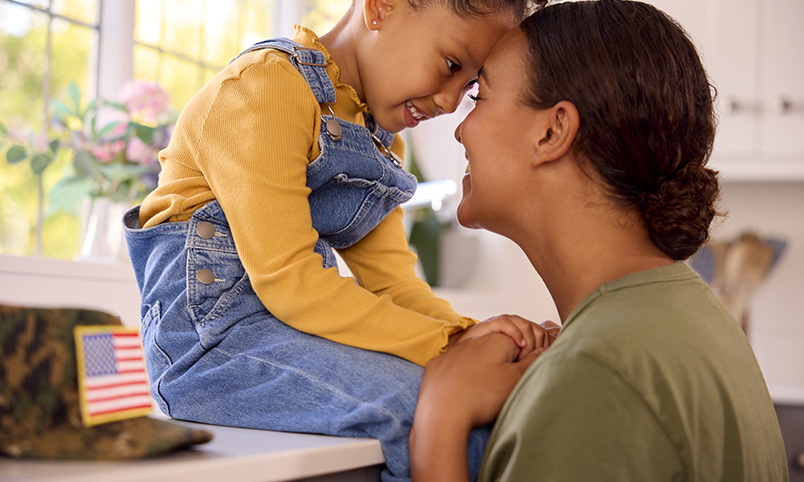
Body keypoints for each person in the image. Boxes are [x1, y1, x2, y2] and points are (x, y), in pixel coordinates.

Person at [123, 1, 549, 481]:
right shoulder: (264, 90)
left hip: (290, 331)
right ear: (381, 7)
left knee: (488, 408)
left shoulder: (380, 143)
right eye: (451, 65)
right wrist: (453, 347)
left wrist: (481, 336)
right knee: (431, 415)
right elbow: (293, 283)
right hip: (210, 346)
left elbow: (395, 288)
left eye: (468, 85)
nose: (450, 103)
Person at [409, 1, 790, 481]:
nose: (460, 128)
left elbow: (599, 381)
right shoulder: (690, 318)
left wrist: (440, 418)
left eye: (479, 95)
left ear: (552, 131)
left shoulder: (598, 373)